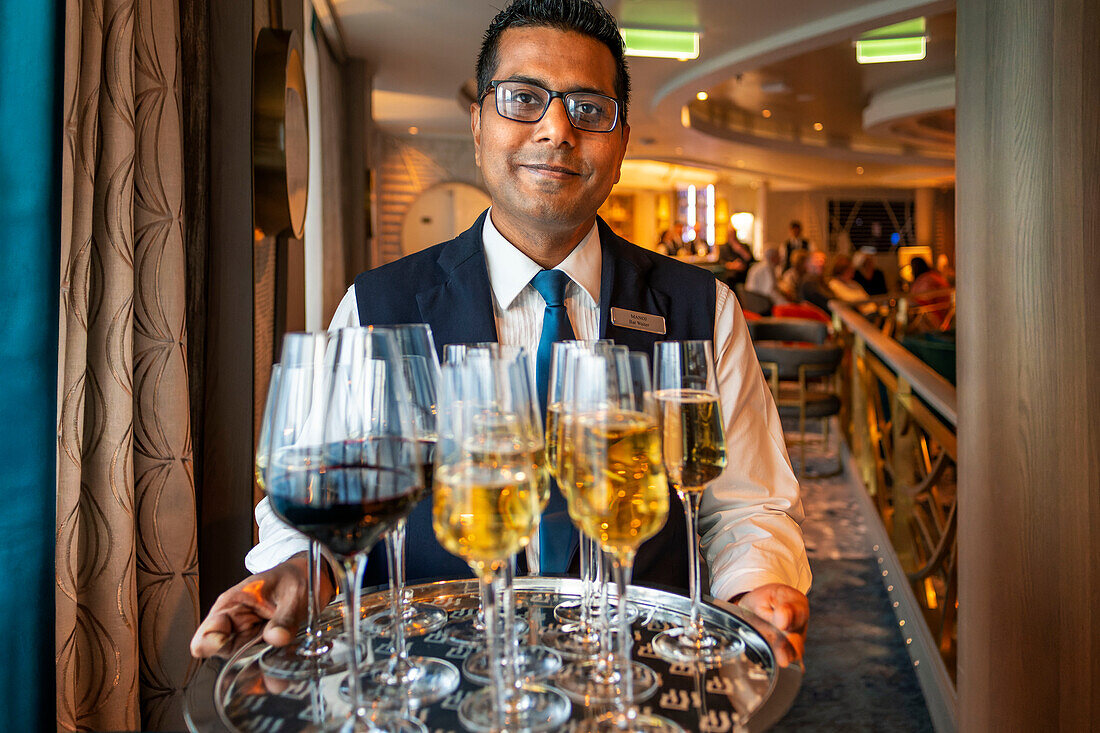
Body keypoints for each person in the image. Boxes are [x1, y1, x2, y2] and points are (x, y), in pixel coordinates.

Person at [191, 0, 810, 661]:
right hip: (437, 672)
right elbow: (315, 497)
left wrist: (756, 585)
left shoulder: (703, 306)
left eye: (589, 109)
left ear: (623, 141)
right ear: (479, 125)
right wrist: (300, 569)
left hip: (639, 676)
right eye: (523, 99)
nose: (557, 130)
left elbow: (749, 504)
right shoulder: (378, 306)